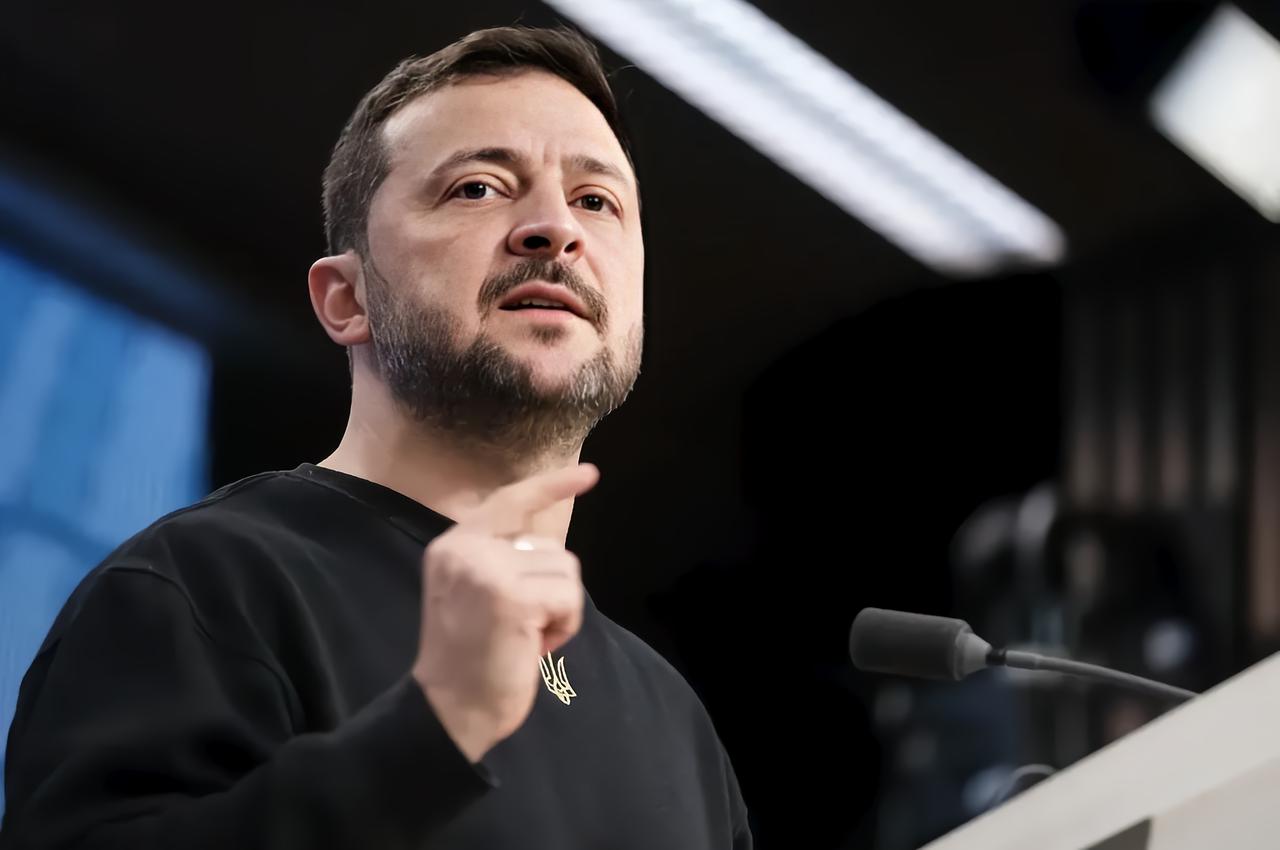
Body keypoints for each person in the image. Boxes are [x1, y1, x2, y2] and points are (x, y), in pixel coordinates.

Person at [0, 26, 752, 849]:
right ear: (346, 299)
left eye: (596, 201)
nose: (553, 228)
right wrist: (432, 733)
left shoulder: (678, 726)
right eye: (477, 188)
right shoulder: (204, 586)